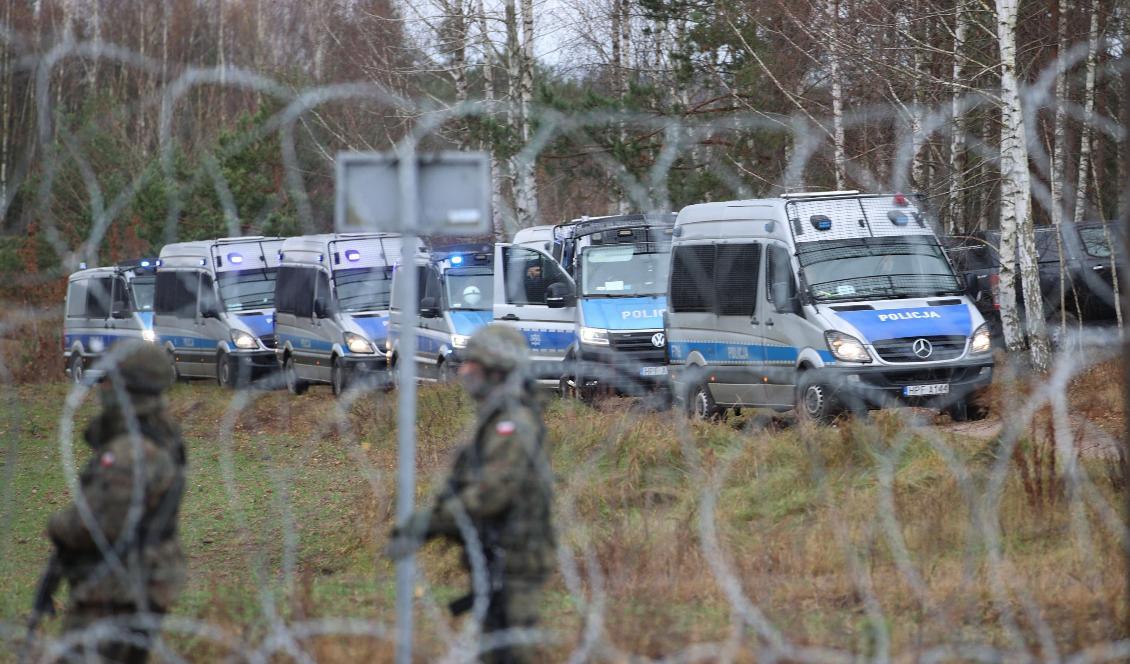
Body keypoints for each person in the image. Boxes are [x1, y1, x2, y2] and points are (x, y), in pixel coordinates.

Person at [387, 325, 555, 664]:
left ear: (494, 368)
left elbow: (492, 492)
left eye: (471, 363)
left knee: (508, 653)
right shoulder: (496, 417)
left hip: (515, 557)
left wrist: (431, 523)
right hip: (499, 554)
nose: (463, 371)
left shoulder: (513, 421)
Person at [45, 340, 186, 664]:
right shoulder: (158, 433)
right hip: (137, 581)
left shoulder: (131, 450)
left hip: (118, 588)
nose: (100, 388)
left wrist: (59, 526)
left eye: (107, 380)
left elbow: (104, 523)